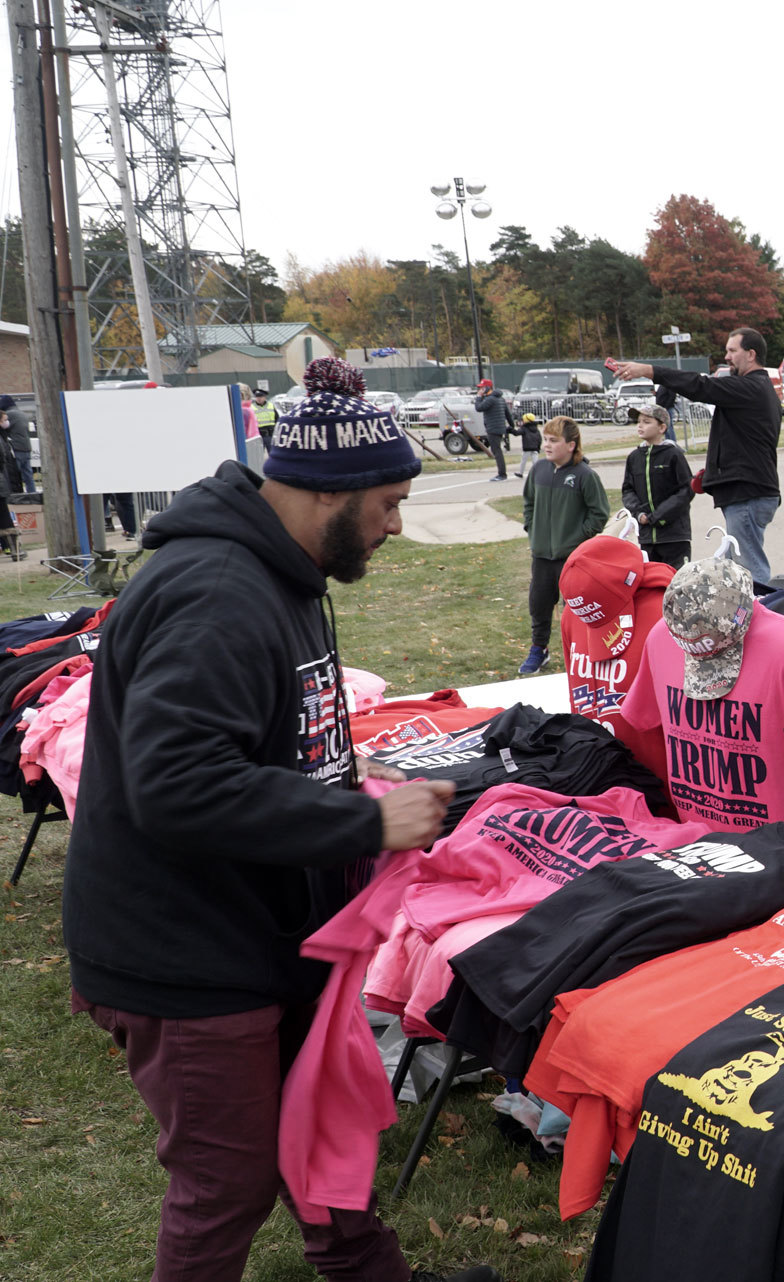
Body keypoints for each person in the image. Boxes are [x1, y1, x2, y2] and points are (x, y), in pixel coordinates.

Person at [61, 355, 497, 1282]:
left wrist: (345, 769)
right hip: (183, 956)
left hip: (263, 934)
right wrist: (364, 826)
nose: (394, 524)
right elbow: (177, 783)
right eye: (386, 503)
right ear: (323, 494)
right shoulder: (217, 594)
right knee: (228, 1184)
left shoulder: (284, 574)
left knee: (322, 1129)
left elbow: (257, 737)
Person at [612, 327, 782, 585]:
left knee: (750, 573)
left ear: (751, 354)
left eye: (732, 350)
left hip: (748, 495)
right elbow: (745, 444)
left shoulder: (751, 387)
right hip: (747, 491)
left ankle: (762, 619)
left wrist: (649, 371)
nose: (726, 356)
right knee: (738, 570)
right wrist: (714, 474)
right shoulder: (754, 389)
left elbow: (701, 386)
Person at [520, 415, 608, 674]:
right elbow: (528, 503)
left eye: (554, 441)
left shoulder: (584, 475)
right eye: (545, 440)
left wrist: (577, 540)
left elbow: (599, 513)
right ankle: (539, 649)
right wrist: (532, 529)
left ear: (571, 445)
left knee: (575, 608)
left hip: (571, 559)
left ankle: (579, 650)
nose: (546, 445)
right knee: (539, 603)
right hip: (542, 556)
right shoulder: (538, 470)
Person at [621, 401, 695, 567]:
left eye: (647, 422)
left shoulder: (673, 455)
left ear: (662, 428)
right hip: (647, 538)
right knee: (652, 584)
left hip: (674, 537)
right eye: (639, 422)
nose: (640, 426)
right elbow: (628, 490)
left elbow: (686, 490)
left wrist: (657, 516)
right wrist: (639, 514)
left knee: (675, 583)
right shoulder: (634, 457)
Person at [472, 378, 513, 481]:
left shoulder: (490, 399)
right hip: (499, 428)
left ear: (487, 388)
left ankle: (502, 474)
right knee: (497, 450)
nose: (480, 390)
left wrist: (478, 397)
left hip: (493, 428)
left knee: (497, 452)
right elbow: (508, 414)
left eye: (482, 388)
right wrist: (511, 426)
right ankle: (502, 473)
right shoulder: (500, 398)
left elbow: (479, 408)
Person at [0, 393, 31, 493]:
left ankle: (16, 494)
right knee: (28, 474)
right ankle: (31, 493)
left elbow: (4, 428)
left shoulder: (10, 414)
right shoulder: (21, 413)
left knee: (15, 474)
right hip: (26, 447)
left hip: (16, 448)